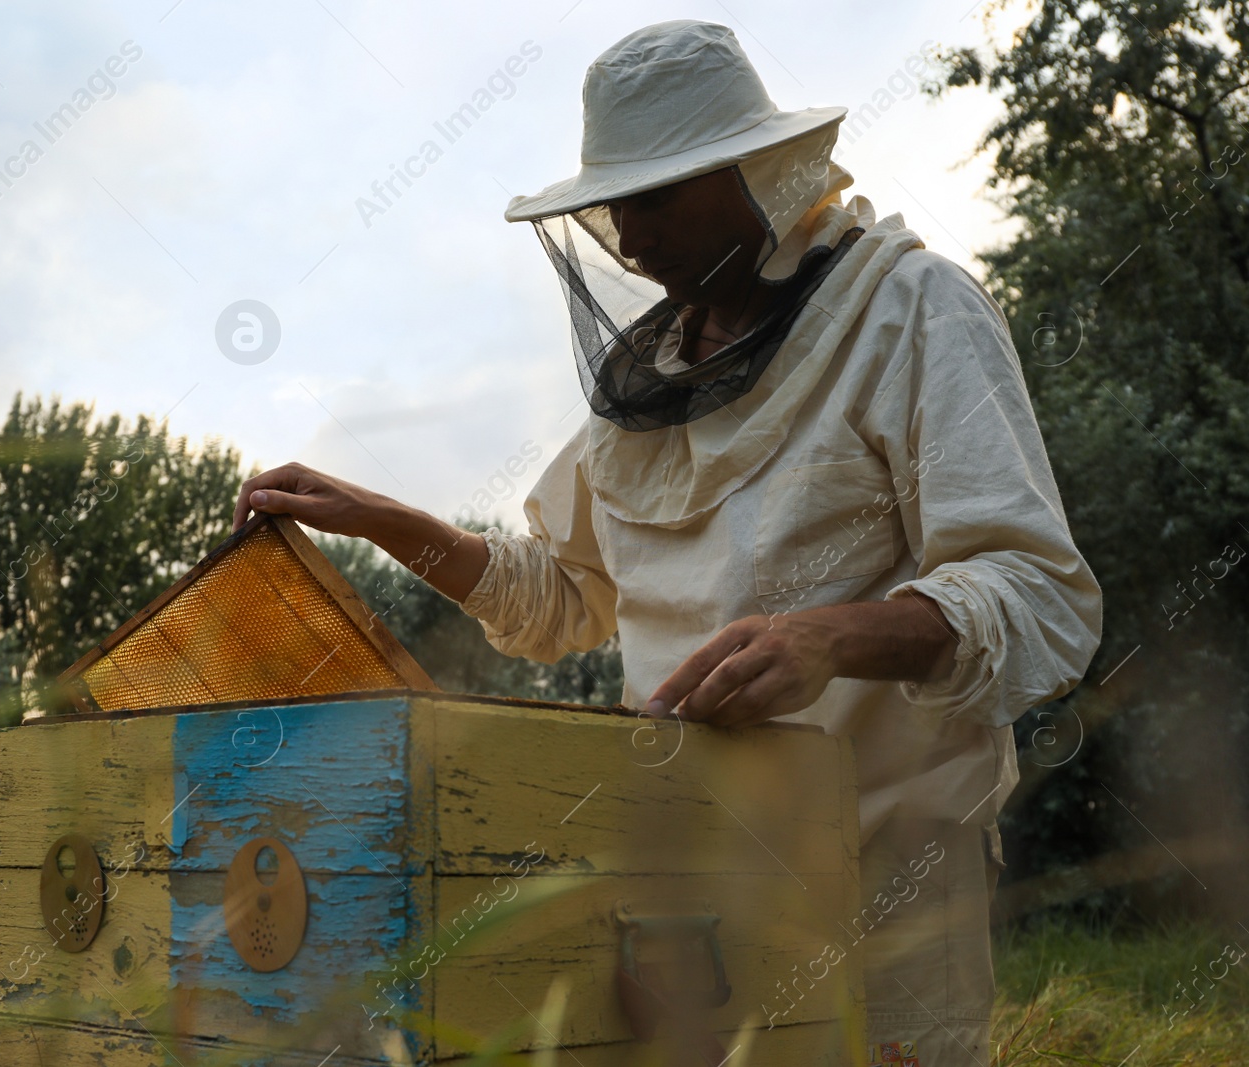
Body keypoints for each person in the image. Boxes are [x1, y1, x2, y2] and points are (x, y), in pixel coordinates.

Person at [235, 20, 1102, 1065]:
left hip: (886, 869)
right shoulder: (645, 388)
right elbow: (557, 598)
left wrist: (829, 637)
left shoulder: (911, 311)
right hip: (677, 883)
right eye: (614, 203)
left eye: (656, 196)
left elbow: (1033, 587)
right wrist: (381, 518)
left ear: (756, 174)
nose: (627, 235)